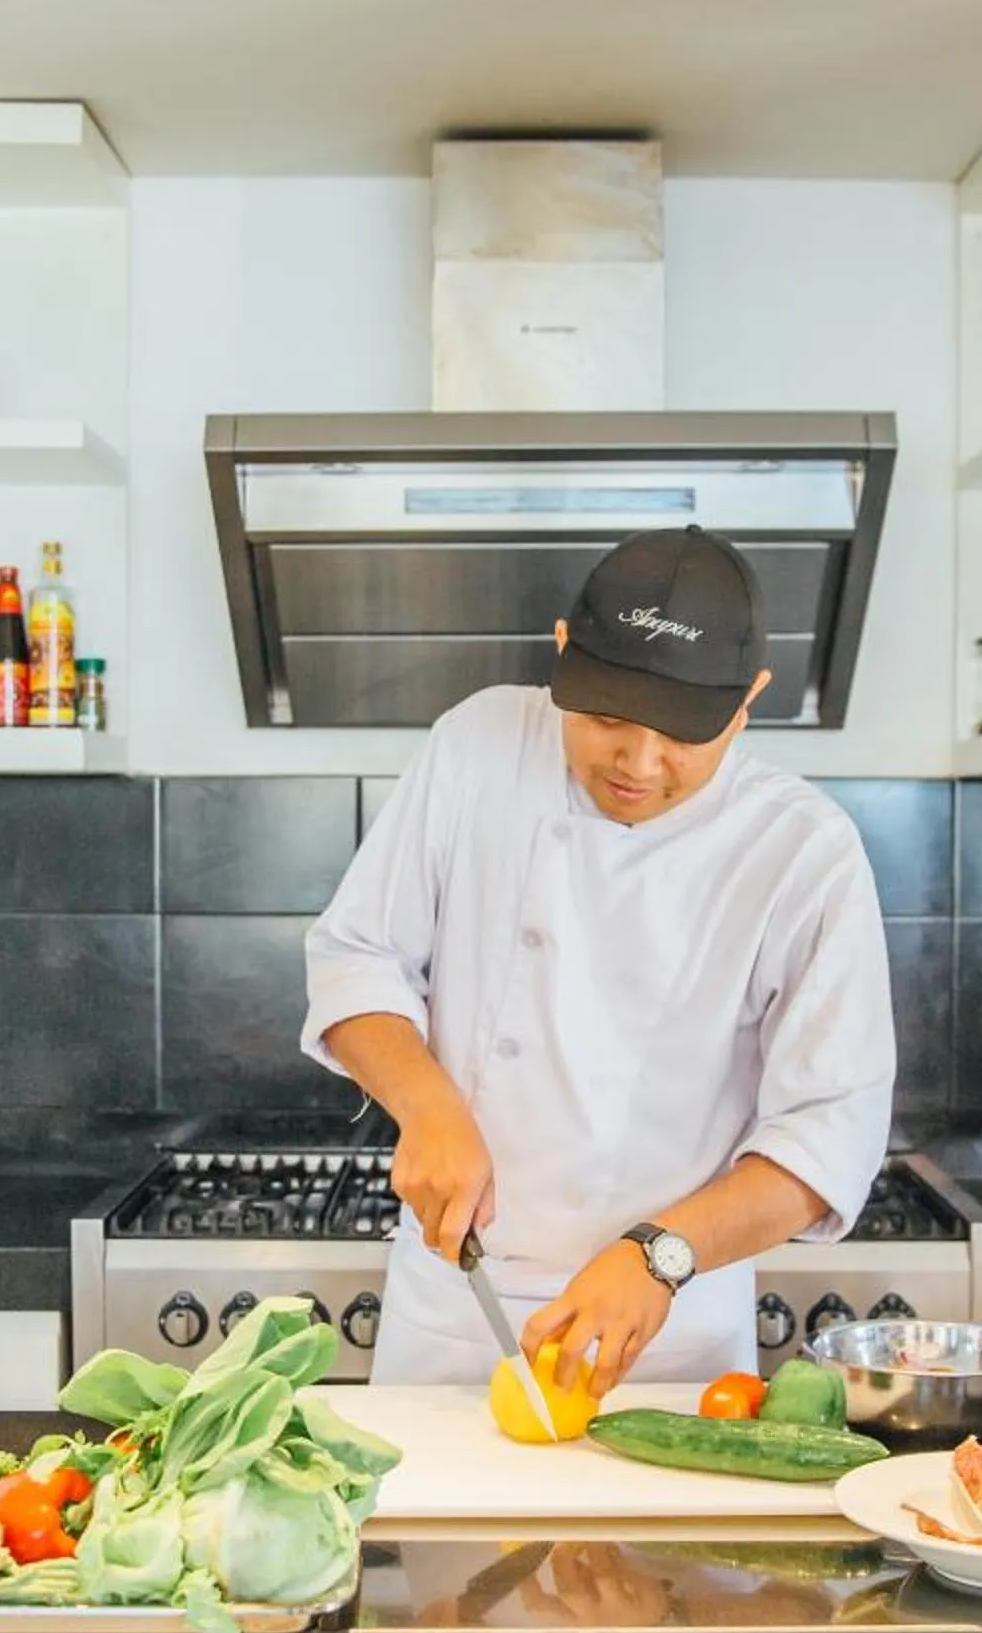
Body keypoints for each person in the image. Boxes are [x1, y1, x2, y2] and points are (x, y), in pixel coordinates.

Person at [299, 524, 896, 1389]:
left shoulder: (803, 850)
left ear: (749, 697)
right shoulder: (480, 745)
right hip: (456, 1315)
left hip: (669, 1340)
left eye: (684, 733)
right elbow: (357, 956)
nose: (639, 763)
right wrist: (427, 1105)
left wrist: (662, 1256)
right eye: (608, 715)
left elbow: (829, 1137)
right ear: (563, 652)